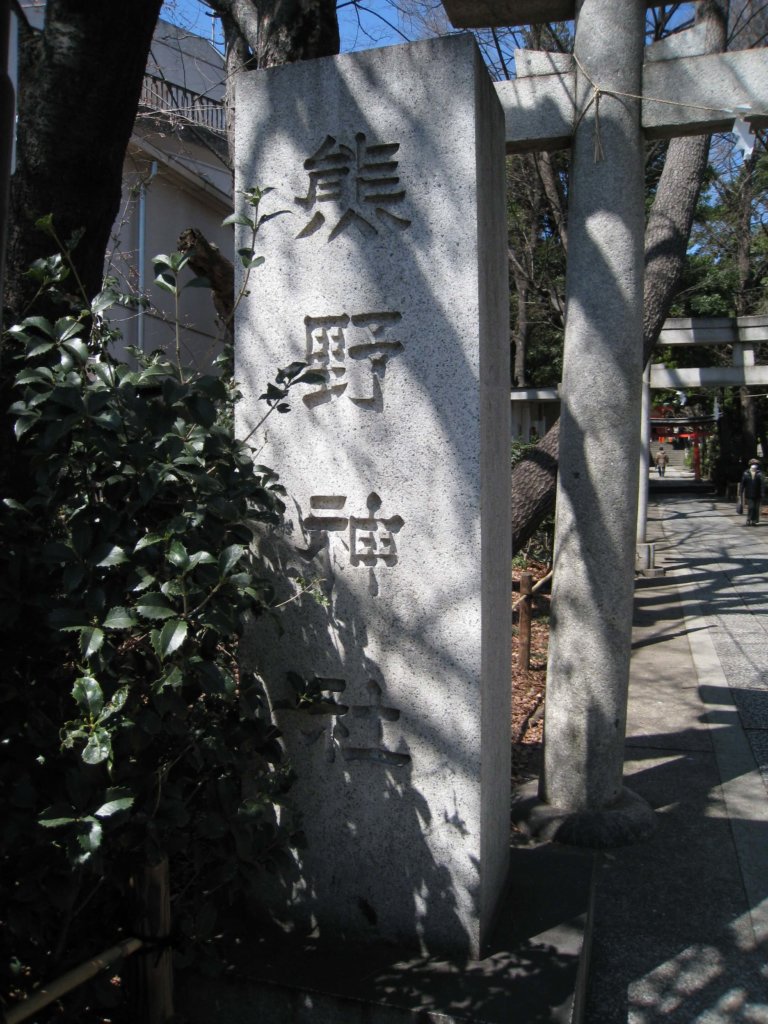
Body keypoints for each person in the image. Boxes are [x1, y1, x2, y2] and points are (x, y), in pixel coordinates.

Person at [739, 458, 764, 526]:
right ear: (750, 465)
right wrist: (740, 492)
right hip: (749, 493)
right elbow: (743, 483)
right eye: (753, 464)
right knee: (751, 507)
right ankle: (749, 519)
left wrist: (762, 493)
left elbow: (762, 484)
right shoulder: (746, 473)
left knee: (756, 508)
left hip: (758, 493)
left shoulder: (759, 473)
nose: (754, 465)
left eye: (755, 464)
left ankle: (754, 521)